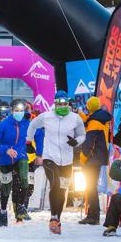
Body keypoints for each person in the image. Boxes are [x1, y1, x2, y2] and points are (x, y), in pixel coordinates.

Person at [26, 91, 86, 234]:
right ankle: (53, 217)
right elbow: (33, 124)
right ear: (55, 103)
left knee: (63, 190)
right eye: (60, 103)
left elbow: (83, 134)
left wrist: (76, 141)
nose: (63, 106)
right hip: (49, 157)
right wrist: (29, 140)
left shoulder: (75, 118)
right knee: (55, 184)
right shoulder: (47, 117)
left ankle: (57, 219)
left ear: (68, 104)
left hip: (67, 160)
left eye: (65, 103)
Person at [0, 99, 35, 226]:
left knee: (24, 179)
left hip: (21, 156)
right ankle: (3, 210)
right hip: (5, 159)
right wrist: (6, 150)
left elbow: (39, 133)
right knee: (6, 188)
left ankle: (21, 206)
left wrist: (39, 152)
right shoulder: (3, 125)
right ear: (11, 111)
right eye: (17, 111)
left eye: (21, 111)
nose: (19, 113)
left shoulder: (27, 124)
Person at [78, 96, 112, 225]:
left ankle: (93, 216)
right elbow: (88, 120)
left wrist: (83, 158)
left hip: (92, 159)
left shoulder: (93, 123)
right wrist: (80, 114)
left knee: (90, 187)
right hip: (99, 157)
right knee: (91, 187)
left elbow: (89, 144)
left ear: (88, 107)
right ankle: (93, 215)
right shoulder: (100, 118)